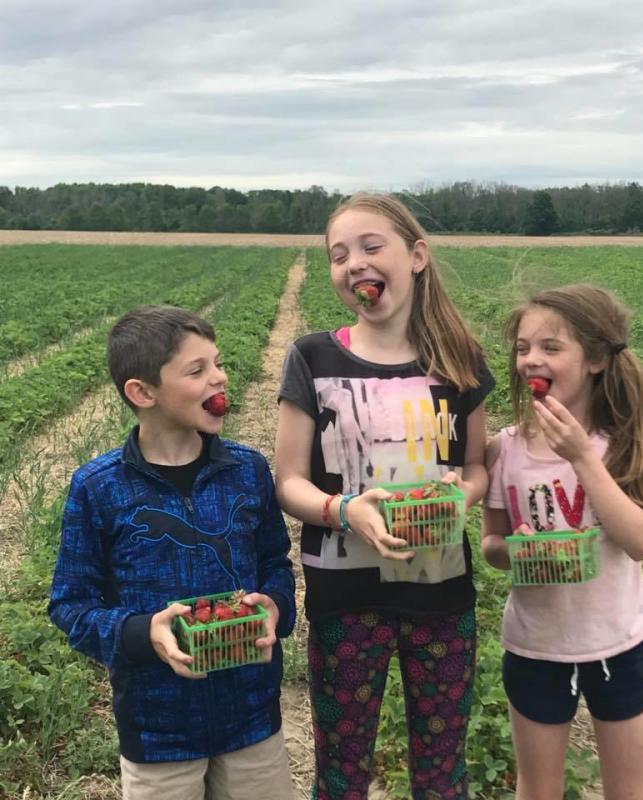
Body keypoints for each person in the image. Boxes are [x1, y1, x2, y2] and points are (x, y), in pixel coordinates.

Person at [275, 193, 494, 799]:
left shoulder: (460, 361)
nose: (354, 264)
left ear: (416, 256)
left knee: (442, 770)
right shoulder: (313, 358)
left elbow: (475, 465)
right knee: (342, 772)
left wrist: (462, 495)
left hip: (441, 593)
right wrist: (344, 511)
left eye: (372, 247)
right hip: (344, 597)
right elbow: (288, 480)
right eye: (339, 255)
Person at [48, 305, 296, 800]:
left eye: (218, 363)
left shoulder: (246, 470)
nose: (220, 378)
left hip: (251, 714)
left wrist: (275, 606)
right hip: (157, 728)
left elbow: (274, 562)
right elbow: (70, 604)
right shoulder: (98, 488)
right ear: (143, 393)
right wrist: (144, 633)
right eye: (197, 370)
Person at [482, 284, 643, 800]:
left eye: (550, 347)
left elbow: (640, 540)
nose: (530, 360)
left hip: (620, 642)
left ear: (593, 358)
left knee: (629, 791)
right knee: (538, 789)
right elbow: (492, 547)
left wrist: (582, 458)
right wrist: (516, 551)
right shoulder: (505, 448)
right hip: (535, 646)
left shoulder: (638, 435)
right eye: (523, 348)